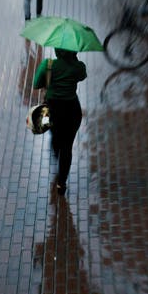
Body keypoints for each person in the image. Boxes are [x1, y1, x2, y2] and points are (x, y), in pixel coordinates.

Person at [33, 48, 87, 194]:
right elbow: (83, 75)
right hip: (72, 111)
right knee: (67, 147)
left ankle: (56, 154)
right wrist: (73, 60)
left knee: (56, 137)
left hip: (53, 109)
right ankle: (61, 183)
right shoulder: (78, 67)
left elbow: (36, 84)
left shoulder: (48, 65)